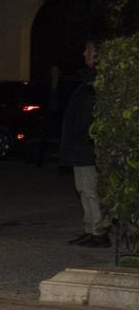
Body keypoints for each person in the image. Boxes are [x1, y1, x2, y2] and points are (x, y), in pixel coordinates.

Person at [60, 39, 110, 248]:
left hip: (86, 145)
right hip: (78, 145)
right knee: (83, 188)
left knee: (89, 189)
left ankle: (99, 232)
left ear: (98, 54)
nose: (84, 53)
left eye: (88, 50)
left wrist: (84, 137)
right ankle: (91, 228)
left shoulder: (98, 81)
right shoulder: (86, 80)